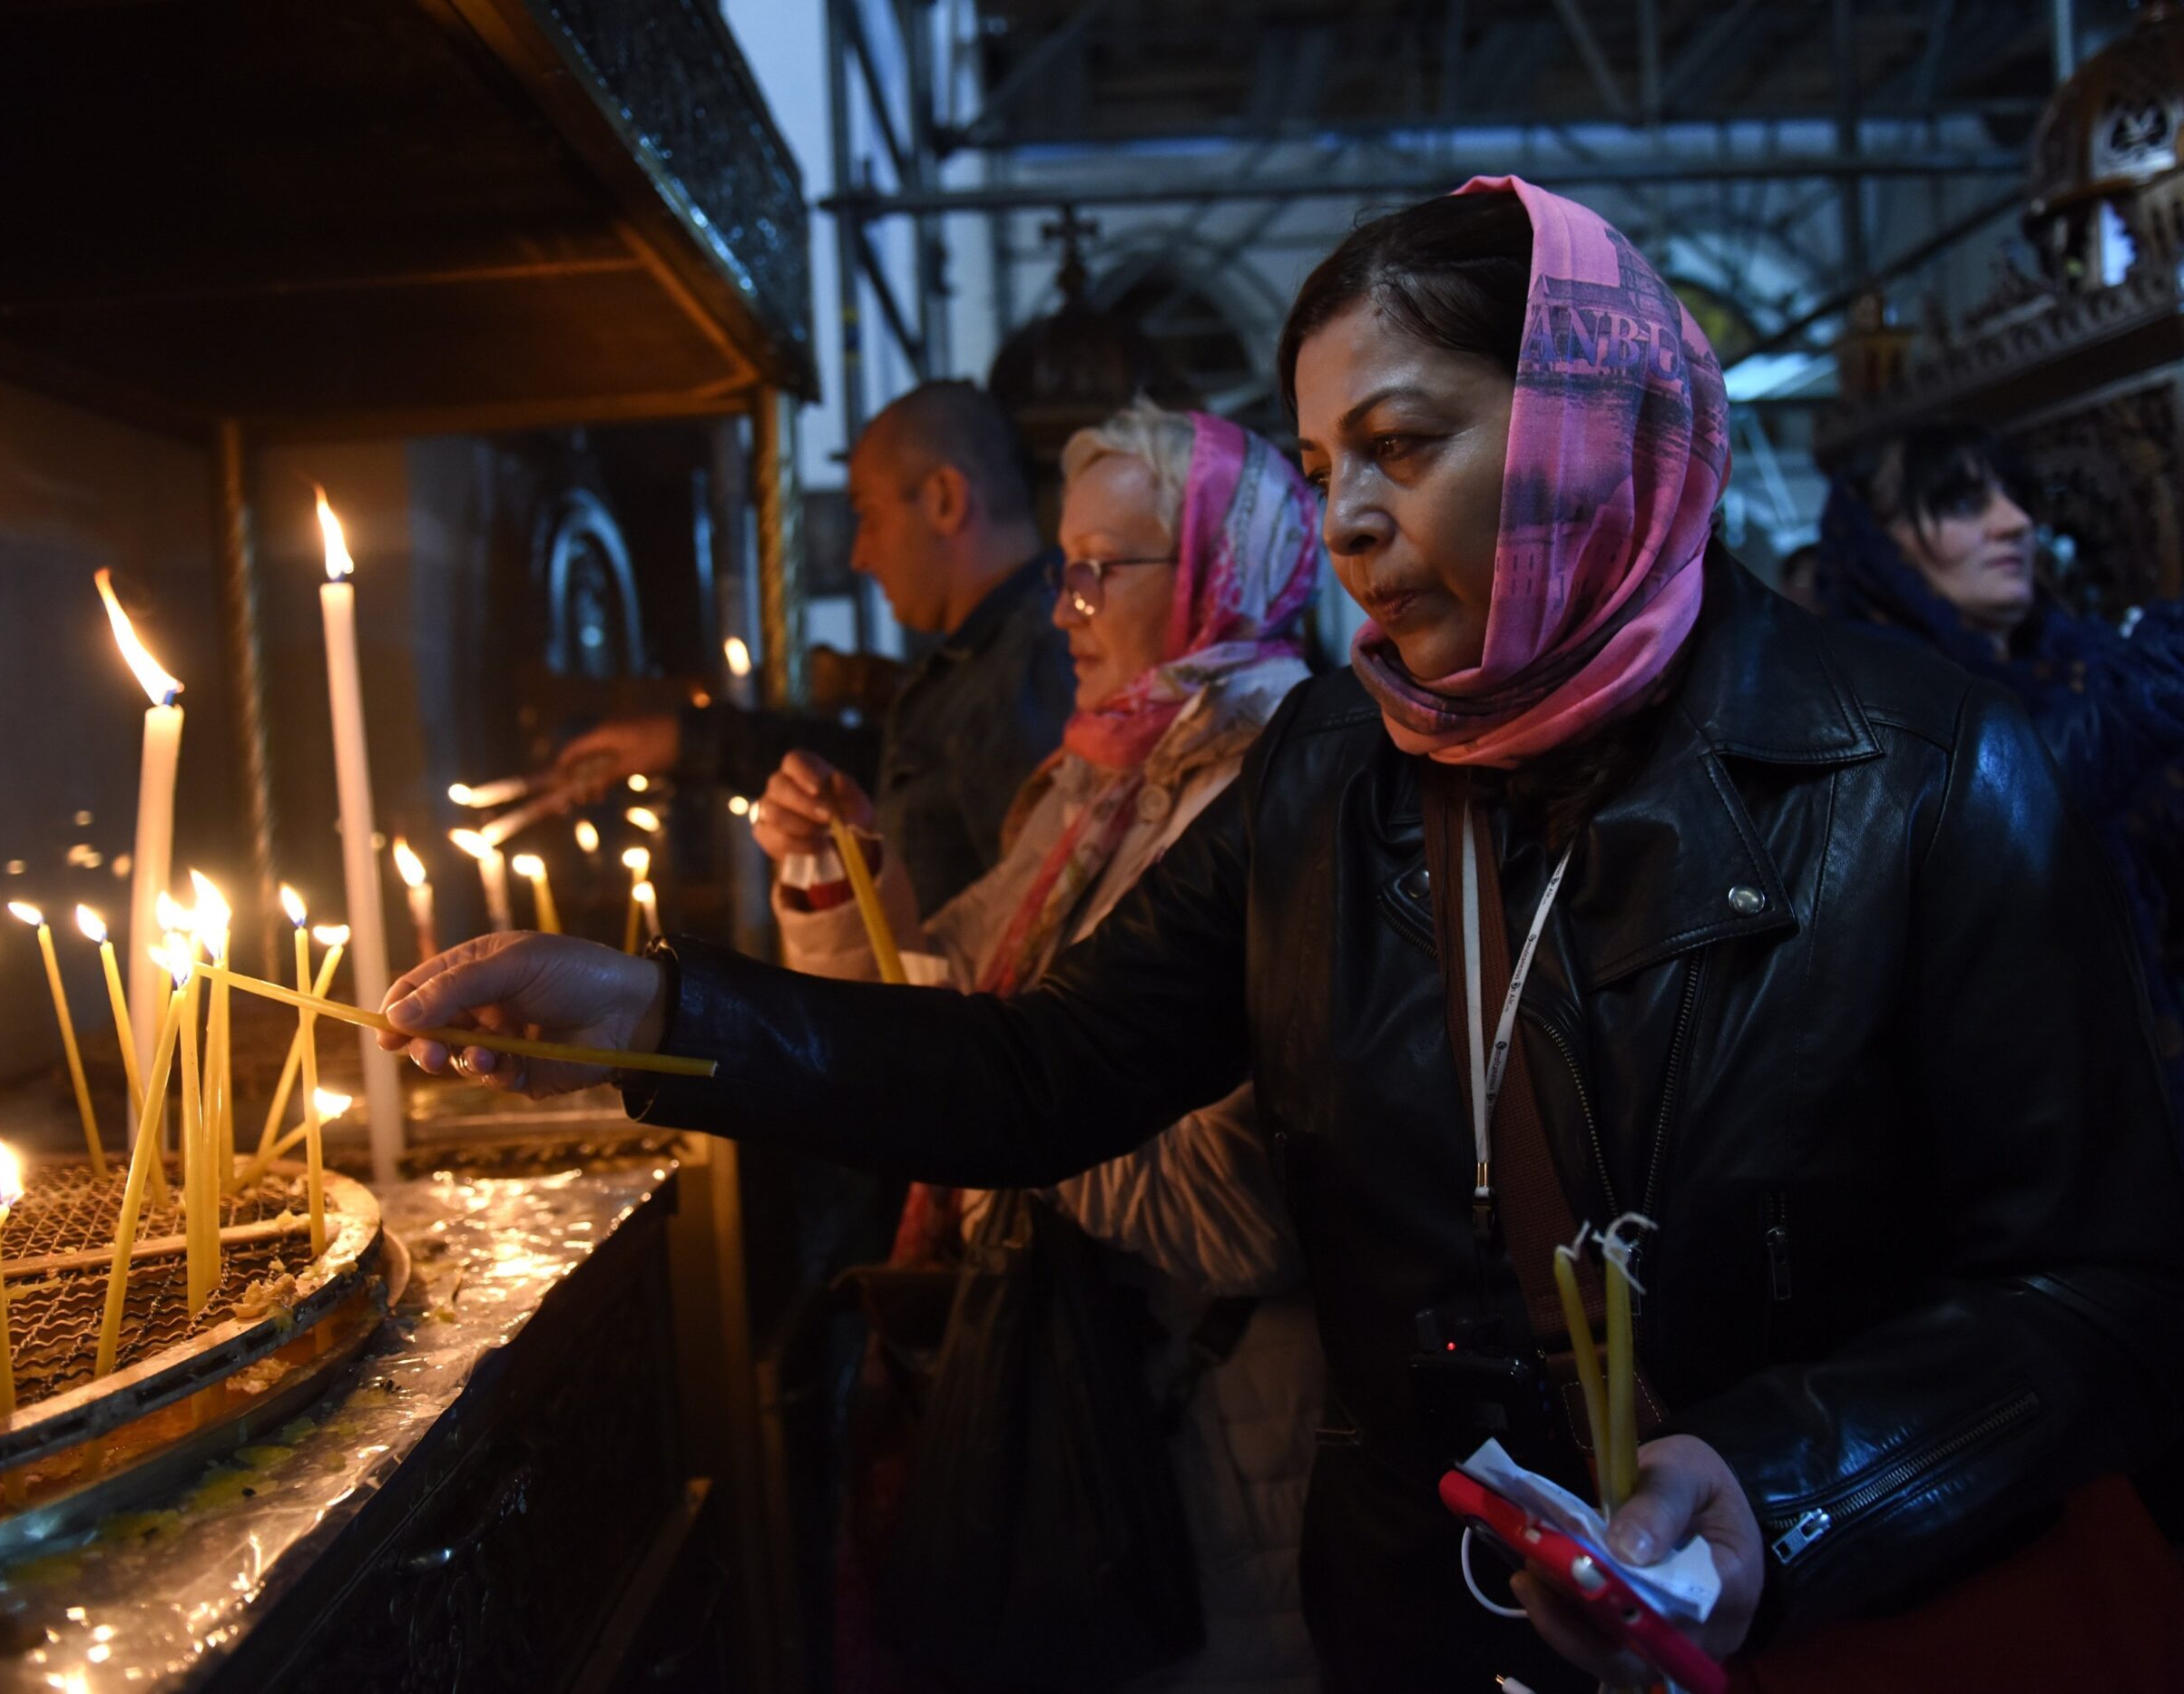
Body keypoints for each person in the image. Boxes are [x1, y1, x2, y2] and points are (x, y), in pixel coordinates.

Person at [382, 181, 2184, 1690]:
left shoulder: (1929, 770)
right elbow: (1041, 1071)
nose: (1346, 522)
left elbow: (2090, 1288)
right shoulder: (1334, 769)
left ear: (1585, 415)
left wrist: (1774, 1487)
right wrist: (657, 1012)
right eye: (1320, 463)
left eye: (1402, 443)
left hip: (1821, 1635)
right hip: (1420, 1627)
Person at [755, 399, 1326, 1692]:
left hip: (1205, 1450)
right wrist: (835, 873)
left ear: (1210, 573)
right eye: (1062, 566)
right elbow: (940, 999)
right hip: (1083, 1395)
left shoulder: (1277, 788)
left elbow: (1238, 1210)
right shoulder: (1099, 777)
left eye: (1098, 570)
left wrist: (1000, 1098)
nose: (1062, 607)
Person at [553, 380, 1074, 918]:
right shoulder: (986, 663)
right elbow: (896, 782)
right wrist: (681, 740)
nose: (859, 556)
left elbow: (1035, 926)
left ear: (945, 499)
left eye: (867, 515)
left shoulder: (1035, 668)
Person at [1815, 422, 2184, 1127]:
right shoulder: (1857, 703)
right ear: (1877, 544)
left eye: (2016, 497)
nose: (2016, 523)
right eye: (1962, 504)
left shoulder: (2080, 666)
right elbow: (2001, 800)